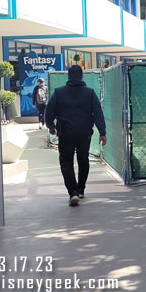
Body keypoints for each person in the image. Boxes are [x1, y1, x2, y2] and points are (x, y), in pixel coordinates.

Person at [45, 65, 107, 206]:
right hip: (84, 133)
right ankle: (80, 189)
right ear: (81, 76)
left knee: (66, 162)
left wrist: (51, 126)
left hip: (66, 133)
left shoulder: (58, 93)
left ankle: (72, 192)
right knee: (83, 159)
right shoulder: (90, 93)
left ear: (68, 76)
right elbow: (98, 114)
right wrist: (102, 133)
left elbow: (48, 113)